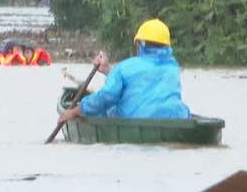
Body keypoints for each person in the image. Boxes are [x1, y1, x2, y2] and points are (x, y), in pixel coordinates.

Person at [58, 19, 191, 122]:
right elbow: (138, 81)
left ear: (140, 44)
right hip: (175, 117)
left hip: (135, 118)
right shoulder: (173, 68)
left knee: (109, 109)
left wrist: (74, 111)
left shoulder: (124, 67)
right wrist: (108, 69)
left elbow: (106, 97)